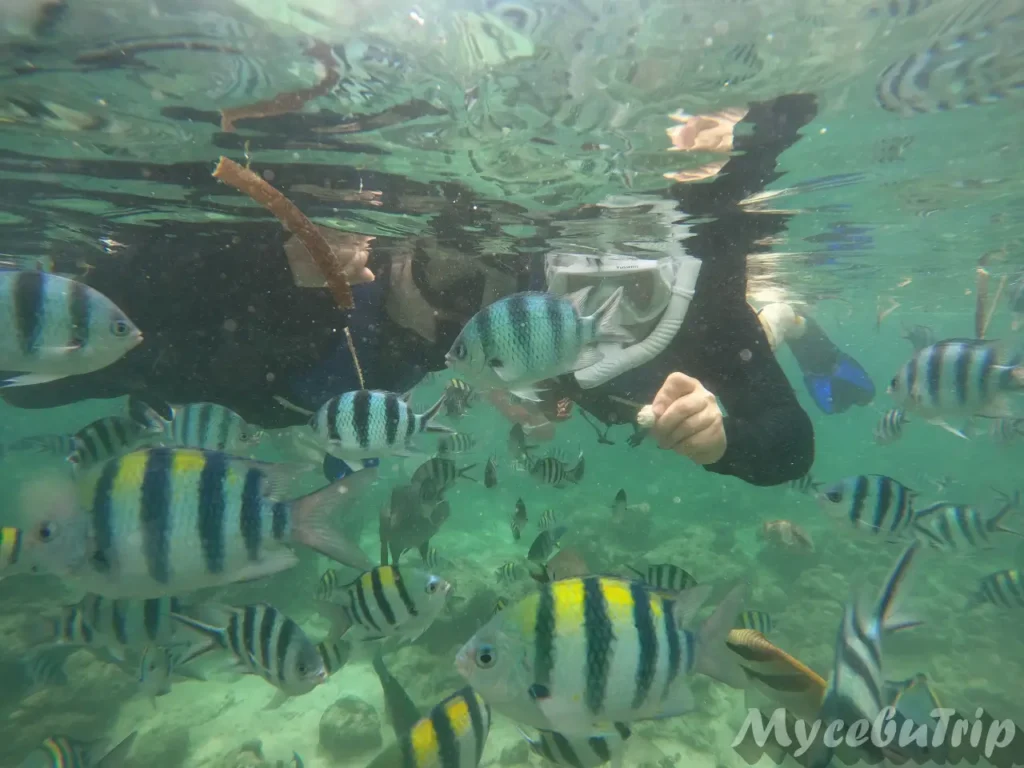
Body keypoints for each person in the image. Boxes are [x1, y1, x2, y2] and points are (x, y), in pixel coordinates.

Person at [2, 93, 849, 487]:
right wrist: (283, 265)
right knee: (68, 350)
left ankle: (783, 316)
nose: (457, 317)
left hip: (349, 359)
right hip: (283, 320)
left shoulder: (700, 299)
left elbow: (789, 446)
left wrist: (719, 441)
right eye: (450, 275)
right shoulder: (375, 265)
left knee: (92, 370)